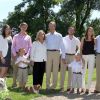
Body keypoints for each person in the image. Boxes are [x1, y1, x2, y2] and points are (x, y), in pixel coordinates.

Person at [46, 21, 65, 90]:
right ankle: (47, 85)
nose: (51, 27)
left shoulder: (59, 35)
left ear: (55, 26)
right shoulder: (46, 35)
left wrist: (63, 56)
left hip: (57, 53)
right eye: (49, 26)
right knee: (48, 70)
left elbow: (62, 46)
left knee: (55, 70)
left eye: (52, 26)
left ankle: (53, 86)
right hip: (48, 53)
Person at [12, 22, 32, 87]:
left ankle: (23, 84)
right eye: (23, 27)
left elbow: (30, 47)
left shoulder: (28, 37)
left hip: (25, 55)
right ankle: (14, 84)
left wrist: (27, 55)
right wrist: (15, 55)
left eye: (25, 27)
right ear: (20, 27)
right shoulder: (15, 36)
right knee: (15, 70)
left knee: (24, 70)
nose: (24, 28)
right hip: (17, 55)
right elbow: (13, 46)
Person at [60, 27, 80, 92]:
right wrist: (63, 57)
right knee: (62, 72)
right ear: (68, 31)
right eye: (70, 30)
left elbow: (80, 47)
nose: (71, 31)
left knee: (71, 73)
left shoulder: (76, 39)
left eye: (72, 30)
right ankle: (61, 87)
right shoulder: (63, 38)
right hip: (65, 56)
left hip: (73, 57)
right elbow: (61, 48)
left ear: (74, 31)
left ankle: (69, 87)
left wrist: (76, 54)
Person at [81, 27, 95, 94]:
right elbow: (81, 49)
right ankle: (82, 87)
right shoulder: (83, 38)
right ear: (87, 31)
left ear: (93, 32)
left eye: (91, 31)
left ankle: (87, 88)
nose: (90, 32)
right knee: (83, 72)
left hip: (92, 56)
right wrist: (81, 58)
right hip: (84, 56)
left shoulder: (94, 40)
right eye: (89, 30)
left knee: (90, 72)